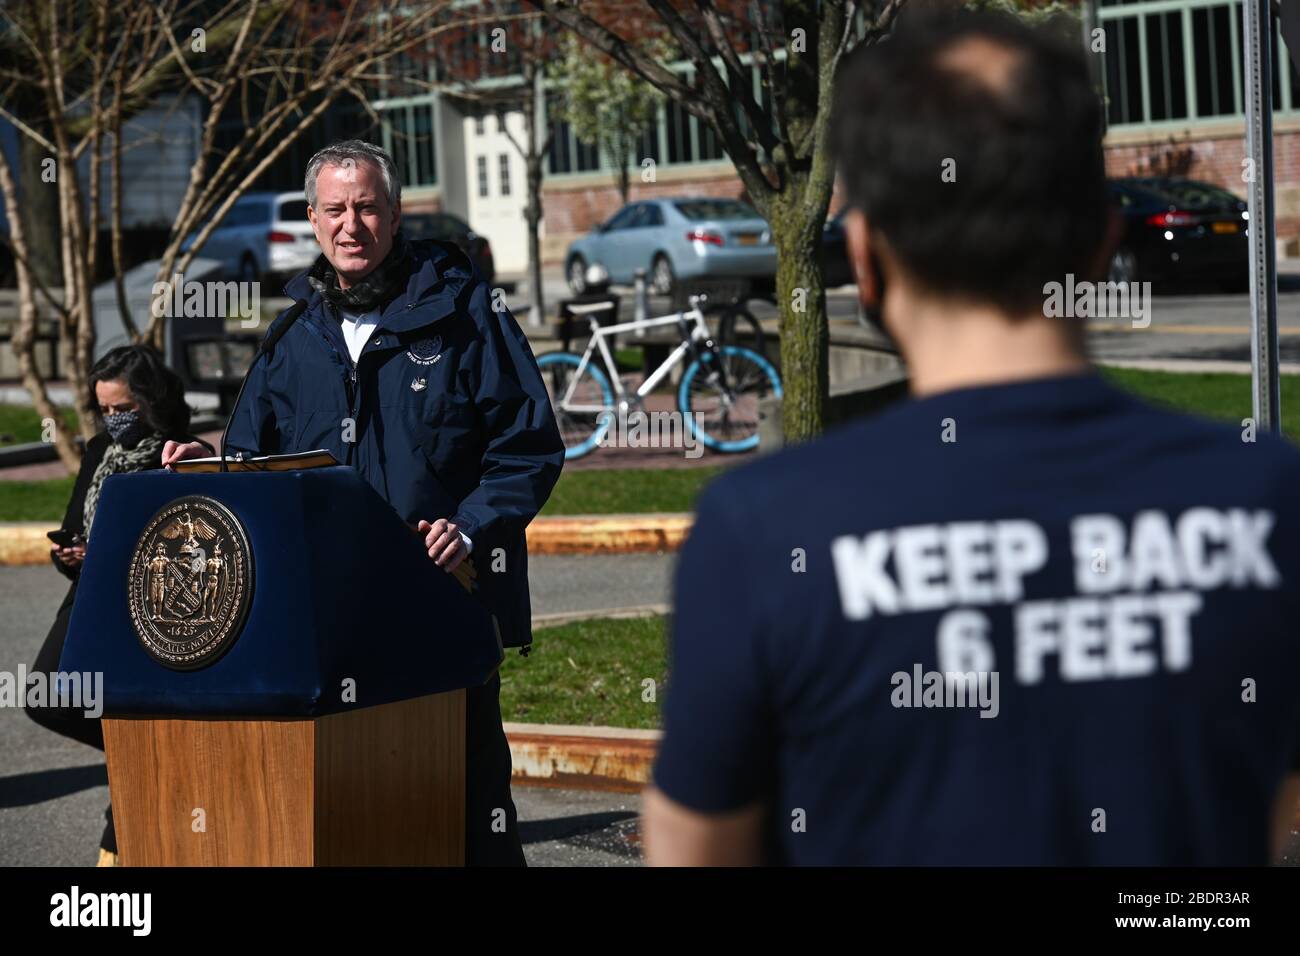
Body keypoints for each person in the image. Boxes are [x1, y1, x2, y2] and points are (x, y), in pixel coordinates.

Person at [644, 7, 1300, 865]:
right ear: (1101, 248)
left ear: (868, 259)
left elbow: (696, 844)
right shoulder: (1267, 498)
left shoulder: (762, 530)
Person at [163, 139, 563, 866]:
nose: (352, 225)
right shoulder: (291, 337)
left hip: (445, 605)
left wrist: (470, 529)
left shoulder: (466, 312)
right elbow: (256, 462)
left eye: (367, 207)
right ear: (314, 221)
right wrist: (207, 464)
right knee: (358, 814)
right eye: (336, 209)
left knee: (469, 810)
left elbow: (528, 448)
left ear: (395, 212)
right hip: (329, 622)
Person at [24, 344, 212, 867]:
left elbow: (190, 548)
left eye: (122, 408)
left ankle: (125, 829)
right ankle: (139, 761)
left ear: (149, 401)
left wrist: (113, 554)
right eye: (105, 409)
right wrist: (71, 553)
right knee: (44, 695)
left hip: (147, 613)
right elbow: (75, 523)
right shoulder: (98, 450)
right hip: (87, 597)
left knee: (133, 711)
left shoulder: (180, 453)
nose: (113, 419)